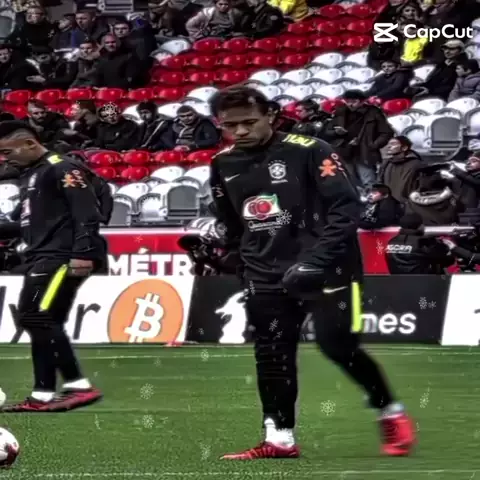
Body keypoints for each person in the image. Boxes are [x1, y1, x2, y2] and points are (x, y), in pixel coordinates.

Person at [207, 86, 415, 460]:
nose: (240, 131)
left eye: (249, 122)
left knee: (338, 346)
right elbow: (233, 222)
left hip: (330, 269)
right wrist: (234, 256)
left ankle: (389, 410)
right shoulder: (222, 163)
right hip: (265, 273)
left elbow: (347, 209)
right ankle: (279, 438)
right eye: (230, 125)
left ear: (271, 115)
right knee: (272, 353)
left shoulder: (311, 149)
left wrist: (315, 261)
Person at [0, 121, 108, 413]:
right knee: (44, 321)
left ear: (30, 144)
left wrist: (83, 252)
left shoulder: (62, 168)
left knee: (33, 316)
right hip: (42, 255)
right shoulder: (32, 174)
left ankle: (79, 386)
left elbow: (87, 212)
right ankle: (42, 395)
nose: (4, 158)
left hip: (61, 256)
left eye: (7, 152)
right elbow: (27, 225)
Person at [385, 213, 454, 274]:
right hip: (424, 281)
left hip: (397, 281)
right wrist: (446, 248)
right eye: (422, 224)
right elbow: (446, 261)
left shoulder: (391, 242)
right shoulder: (424, 241)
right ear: (419, 226)